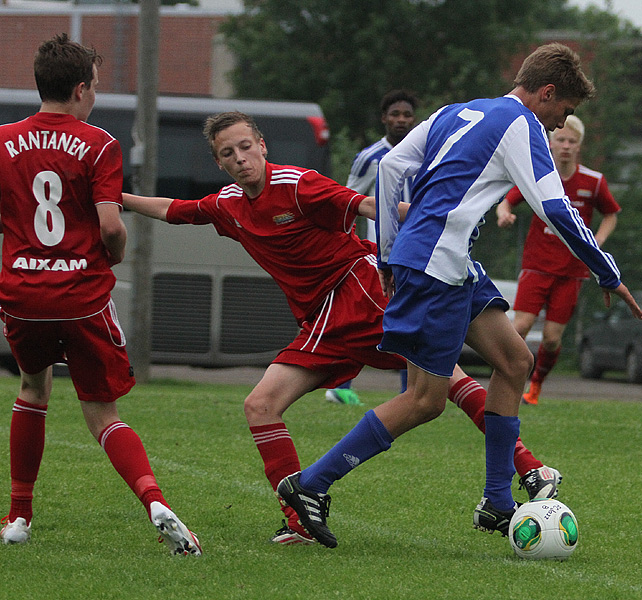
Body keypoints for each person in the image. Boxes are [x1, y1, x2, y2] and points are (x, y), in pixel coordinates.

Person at [123, 111, 562, 546]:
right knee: (261, 406)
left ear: (262, 146)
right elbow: (172, 209)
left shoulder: (297, 184)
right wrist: (117, 199)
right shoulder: (228, 205)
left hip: (359, 291)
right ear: (220, 164)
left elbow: (369, 205)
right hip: (322, 319)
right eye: (227, 153)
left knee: (439, 381)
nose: (240, 158)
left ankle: (526, 467)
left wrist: (434, 219)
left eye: (245, 146)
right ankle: (300, 518)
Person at [277, 43, 642, 549]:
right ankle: (310, 485)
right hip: (436, 267)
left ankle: (497, 500)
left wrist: (388, 255)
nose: (562, 124)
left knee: (515, 361)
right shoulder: (523, 125)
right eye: (566, 111)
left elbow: (390, 169)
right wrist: (608, 273)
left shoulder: (458, 111)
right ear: (548, 93)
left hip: (446, 263)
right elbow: (555, 207)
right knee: (425, 400)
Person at [0, 34, 200, 555]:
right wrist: (111, 255)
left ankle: (19, 516)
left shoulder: (2, 141)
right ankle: (155, 501)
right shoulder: (99, 143)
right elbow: (110, 225)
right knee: (103, 414)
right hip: (81, 297)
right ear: (81, 89)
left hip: (22, 294)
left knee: (32, 391)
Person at [496, 114, 620, 405]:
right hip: (537, 264)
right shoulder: (539, 174)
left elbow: (611, 214)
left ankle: (536, 385)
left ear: (579, 147)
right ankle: (505, 382)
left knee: (552, 338)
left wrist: (596, 242)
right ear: (551, 144)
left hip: (572, 270)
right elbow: (507, 200)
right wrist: (504, 214)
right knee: (520, 327)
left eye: (571, 141)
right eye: (561, 140)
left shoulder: (594, 181)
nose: (565, 146)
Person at [324, 89, 418, 406]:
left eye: (406, 115)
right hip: (380, 254)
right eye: (395, 114)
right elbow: (348, 200)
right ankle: (340, 385)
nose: (401, 120)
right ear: (384, 119)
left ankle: (410, 392)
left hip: (418, 250)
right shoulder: (370, 157)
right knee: (371, 319)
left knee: (412, 319)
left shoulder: (425, 154)